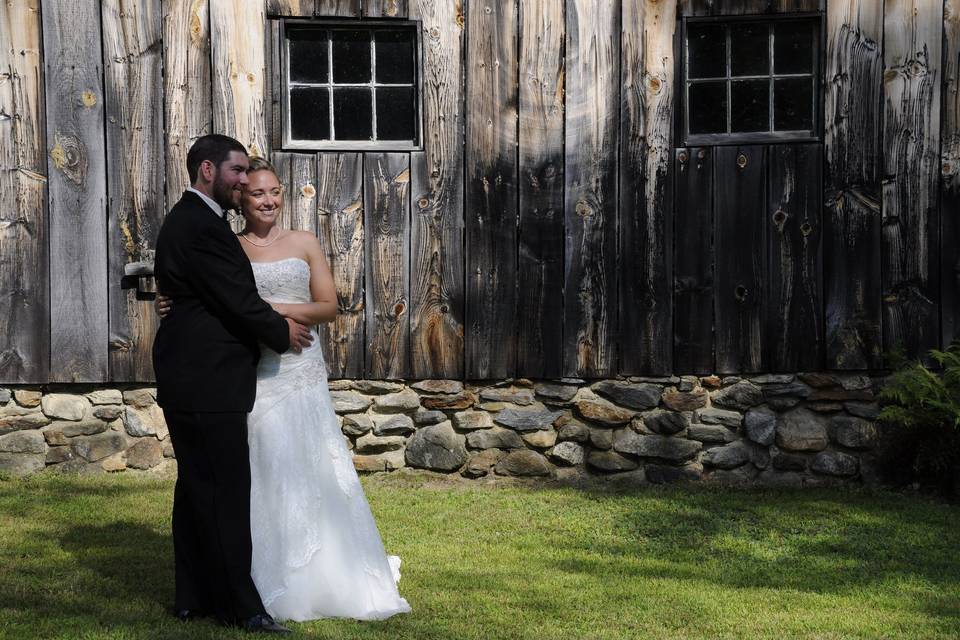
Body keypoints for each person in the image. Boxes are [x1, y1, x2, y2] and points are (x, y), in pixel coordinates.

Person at [157, 157, 411, 622]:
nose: (269, 200)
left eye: (275, 191)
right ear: (241, 198)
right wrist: (174, 298)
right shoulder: (229, 246)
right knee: (254, 470)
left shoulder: (305, 242)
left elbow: (329, 306)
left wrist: (267, 308)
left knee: (309, 463)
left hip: (299, 366)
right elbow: (211, 294)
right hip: (248, 369)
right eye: (257, 193)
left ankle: (324, 570)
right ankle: (253, 575)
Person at [152, 134, 313, 634]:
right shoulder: (200, 225)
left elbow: (207, 293)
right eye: (237, 171)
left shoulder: (195, 219)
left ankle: (191, 596)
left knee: (197, 488)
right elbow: (236, 299)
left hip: (192, 376)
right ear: (207, 170)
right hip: (207, 379)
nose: (245, 182)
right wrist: (281, 332)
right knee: (224, 489)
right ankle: (241, 606)